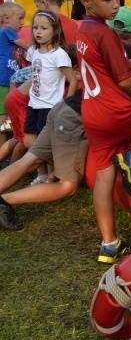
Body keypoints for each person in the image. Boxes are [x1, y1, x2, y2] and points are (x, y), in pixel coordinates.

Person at [75, 0, 131, 263]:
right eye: (108, 0)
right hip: (115, 111)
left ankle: (109, 243)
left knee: (104, 175)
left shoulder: (84, 29)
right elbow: (124, 83)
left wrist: (130, 63)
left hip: (92, 113)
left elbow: (99, 66)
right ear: (86, 0)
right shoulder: (107, 34)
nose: (116, 6)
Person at [0, 86, 87, 231]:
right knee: (68, 186)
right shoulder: (125, 76)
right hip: (73, 115)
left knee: (29, 160)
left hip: (62, 107)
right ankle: (5, 200)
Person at [24, 11, 76, 156]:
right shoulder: (33, 50)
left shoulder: (58, 54)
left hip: (49, 105)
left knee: (45, 142)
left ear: (55, 30)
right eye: (35, 28)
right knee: (29, 140)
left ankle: (50, 171)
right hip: (33, 103)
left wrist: (66, 105)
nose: (38, 31)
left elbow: (72, 80)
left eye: (43, 28)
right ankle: (41, 173)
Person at [0, 2, 28, 136]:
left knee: (6, 114)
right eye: (19, 18)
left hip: (8, 78)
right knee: (4, 116)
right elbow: (25, 45)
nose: (22, 22)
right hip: (4, 79)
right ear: (6, 19)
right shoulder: (7, 31)